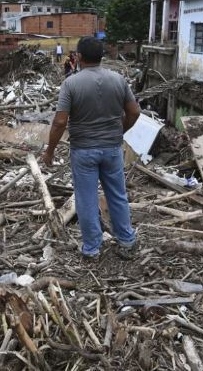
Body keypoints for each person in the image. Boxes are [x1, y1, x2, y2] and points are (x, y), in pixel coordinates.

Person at [43, 37, 141, 260]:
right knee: (117, 194)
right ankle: (126, 240)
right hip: (112, 148)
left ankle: (92, 249)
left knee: (86, 199)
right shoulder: (118, 80)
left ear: (78, 57)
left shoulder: (71, 84)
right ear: (101, 57)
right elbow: (134, 112)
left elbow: (59, 122)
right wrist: (120, 132)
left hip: (84, 150)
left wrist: (49, 151)